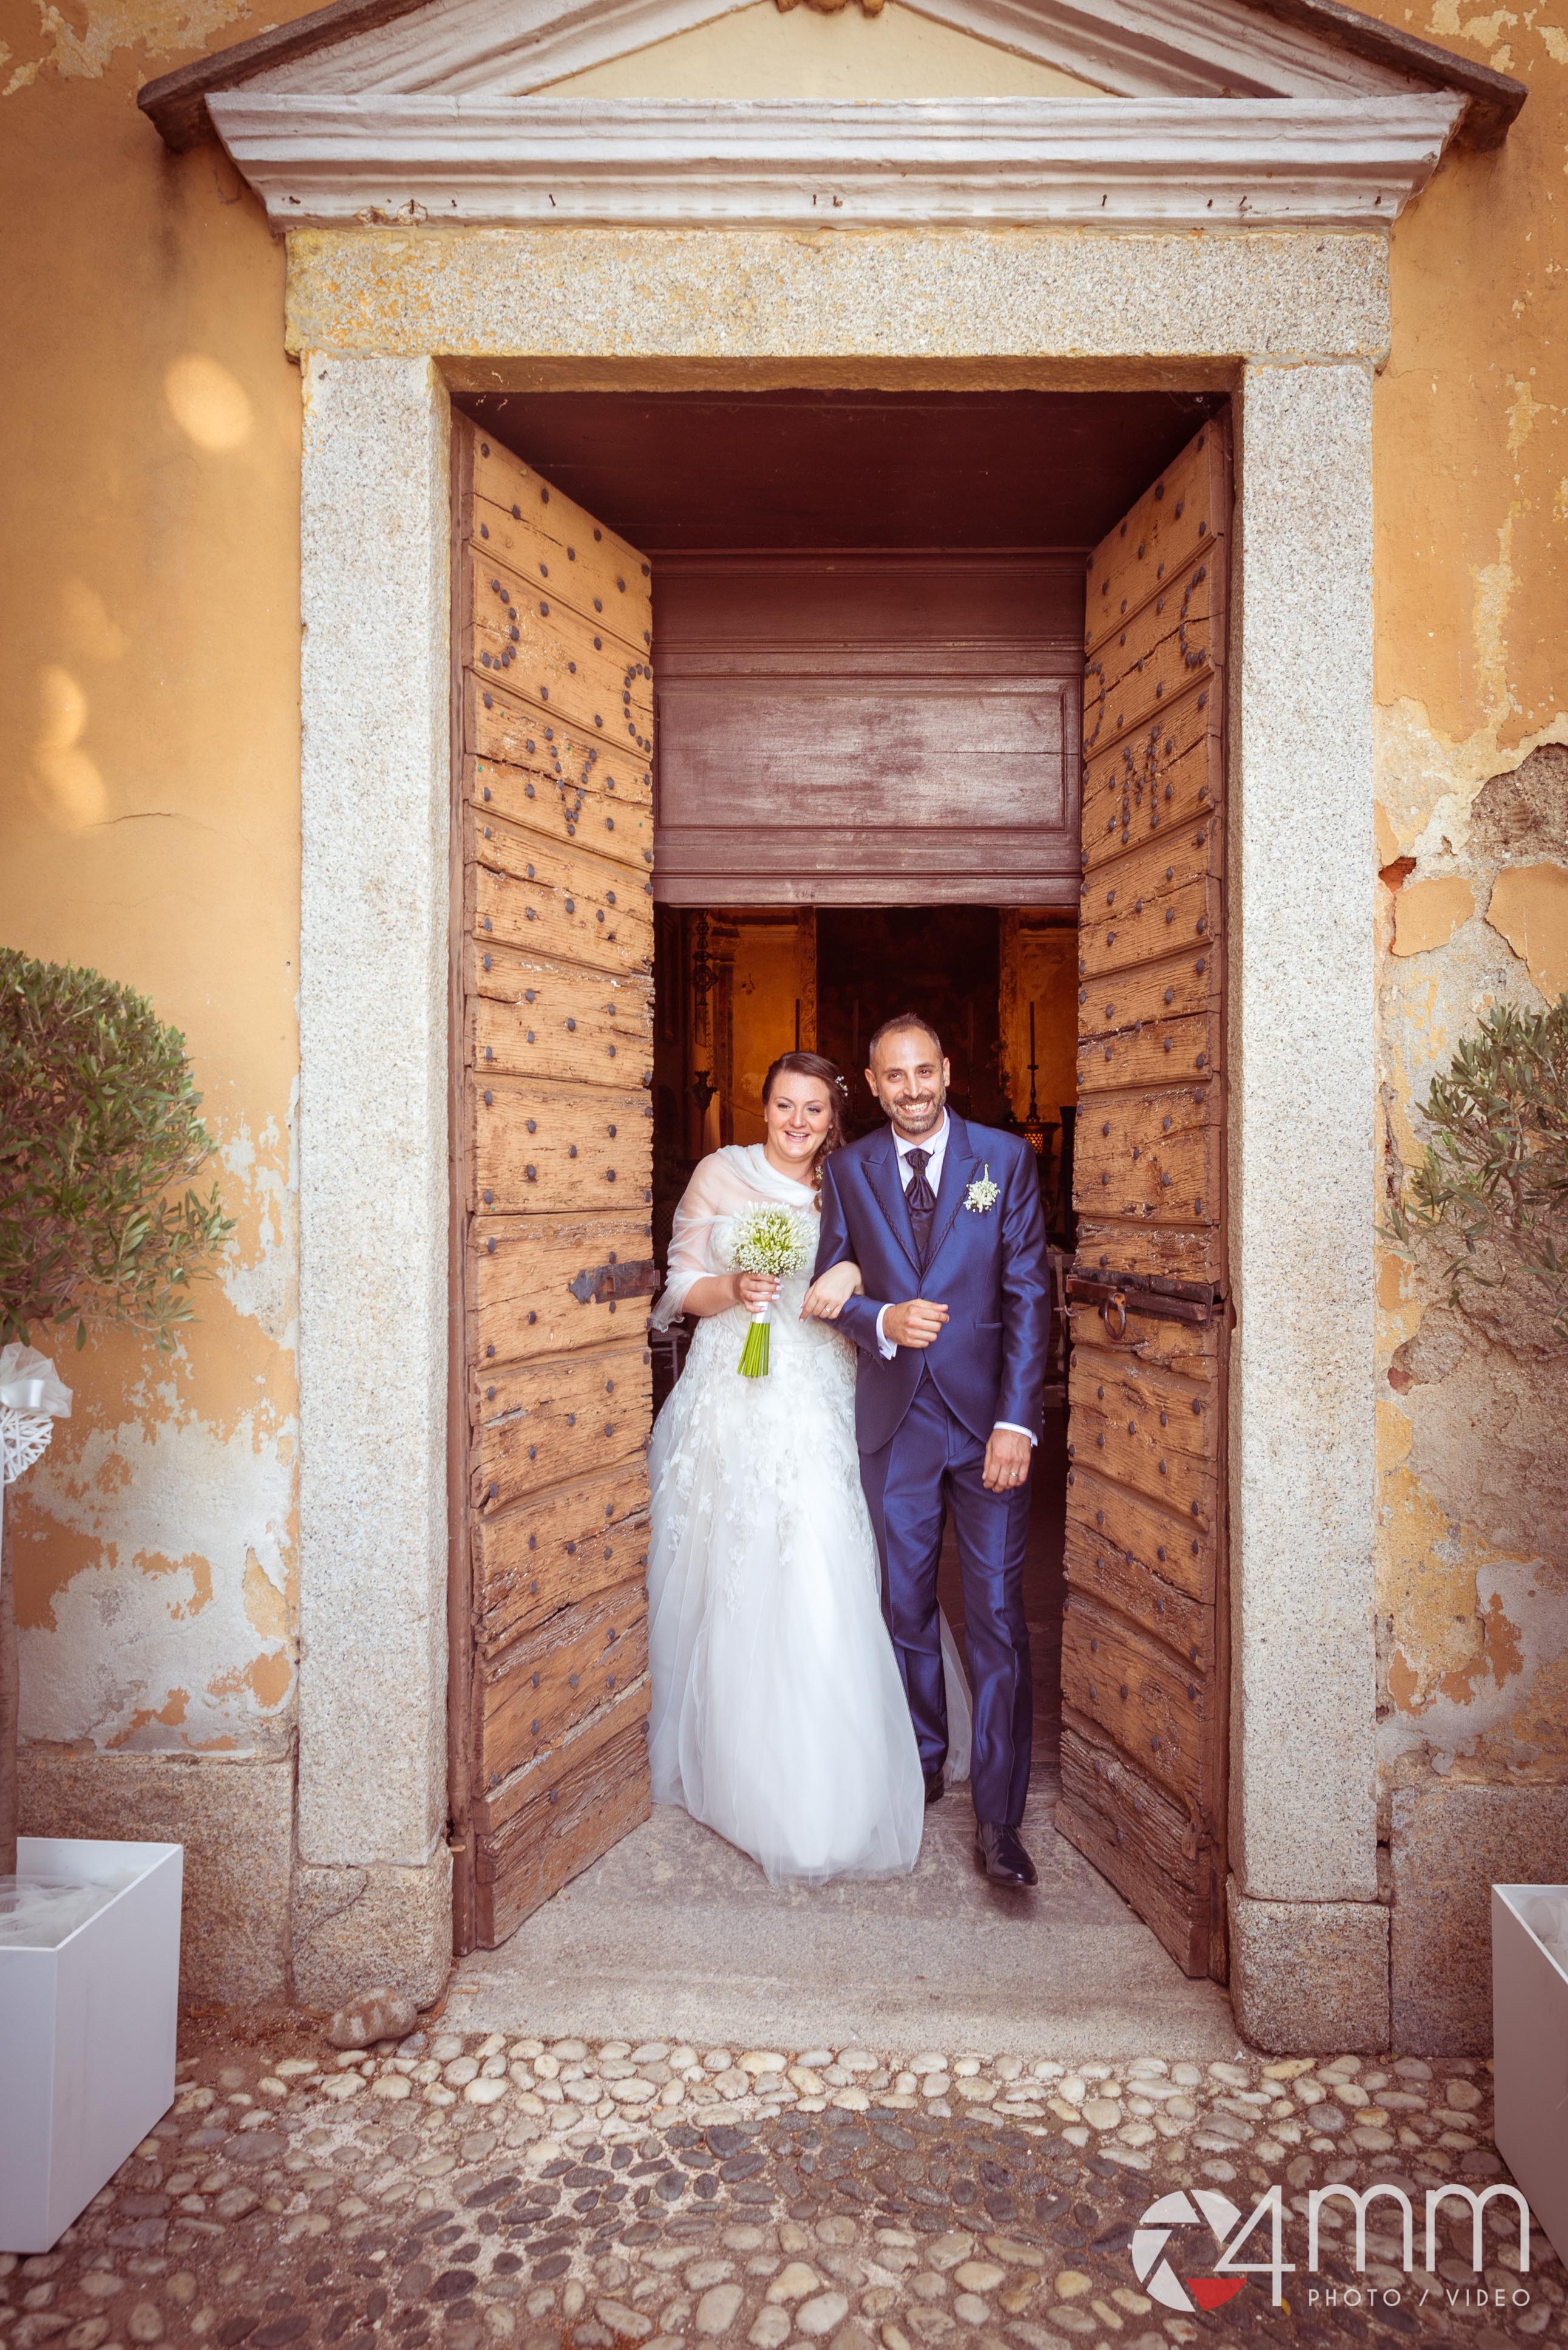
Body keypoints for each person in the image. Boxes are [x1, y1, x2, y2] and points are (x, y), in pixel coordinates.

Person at [645, 1050, 970, 1885]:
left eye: (814, 1109)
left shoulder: (853, 1180)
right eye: (785, 1105)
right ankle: (738, 1759)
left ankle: (834, 1775)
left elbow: (894, 1269)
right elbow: (679, 1284)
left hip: (819, 1388)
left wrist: (853, 1266)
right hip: (733, 1388)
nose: (798, 1121)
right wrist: (733, 1288)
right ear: (763, 1108)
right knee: (730, 1562)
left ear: (834, 1119)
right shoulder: (720, 1174)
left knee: (823, 1551)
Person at [809, 1013, 1050, 1887]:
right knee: (903, 1606)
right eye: (894, 1076)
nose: (912, 1089)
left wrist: (1017, 1422)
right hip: (896, 1425)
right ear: (874, 1086)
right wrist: (882, 1319)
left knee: (995, 1617)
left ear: (946, 1070)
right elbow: (830, 1286)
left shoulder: (1005, 1161)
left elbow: (1028, 1295)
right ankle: (920, 1762)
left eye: (924, 1072)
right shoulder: (849, 1170)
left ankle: (999, 1817)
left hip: (988, 1428)